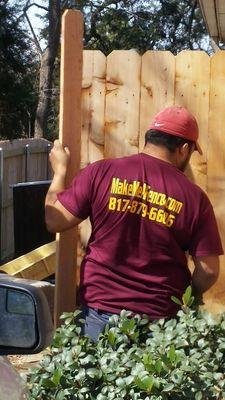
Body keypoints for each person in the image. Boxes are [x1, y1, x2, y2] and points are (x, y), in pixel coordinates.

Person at [45, 105, 223, 342]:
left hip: (99, 316)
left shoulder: (101, 172)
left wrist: (59, 171)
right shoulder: (195, 198)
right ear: (183, 149)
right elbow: (209, 269)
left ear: (149, 139)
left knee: (97, 377)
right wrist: (191, 296)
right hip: (160, 323)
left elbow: (54, 219)